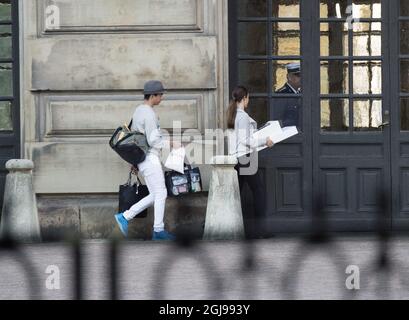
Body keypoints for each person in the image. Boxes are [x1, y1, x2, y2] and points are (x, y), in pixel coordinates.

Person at [115, 80, 175, 241]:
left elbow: (134, 139)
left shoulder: (138, 111)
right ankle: (158, 231)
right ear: (153, 95)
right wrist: (171, 142)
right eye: (160, 95)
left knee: (156, 194)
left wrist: (135, 162)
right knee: (161, 193)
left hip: (143, 160)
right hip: (150, 158)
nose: (161, 98)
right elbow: (153, 140)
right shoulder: (149, 113)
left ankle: (125, 217)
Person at [227, 85, 274, 239]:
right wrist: (264, 141)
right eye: (248, 98)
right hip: (246, 158)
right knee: (258, 191)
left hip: (237, 158)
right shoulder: (242, 116)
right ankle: (260, 230)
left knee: (237, 194)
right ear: (245, 98)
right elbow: (246, 140)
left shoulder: (233, 115)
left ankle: (229, 228)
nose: (249, 101)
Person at [275, 62, 302, 127]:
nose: (302, 78)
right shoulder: (282, 94)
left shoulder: (300, 92)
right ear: (289, 77)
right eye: (299, 75)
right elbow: (278, 119)